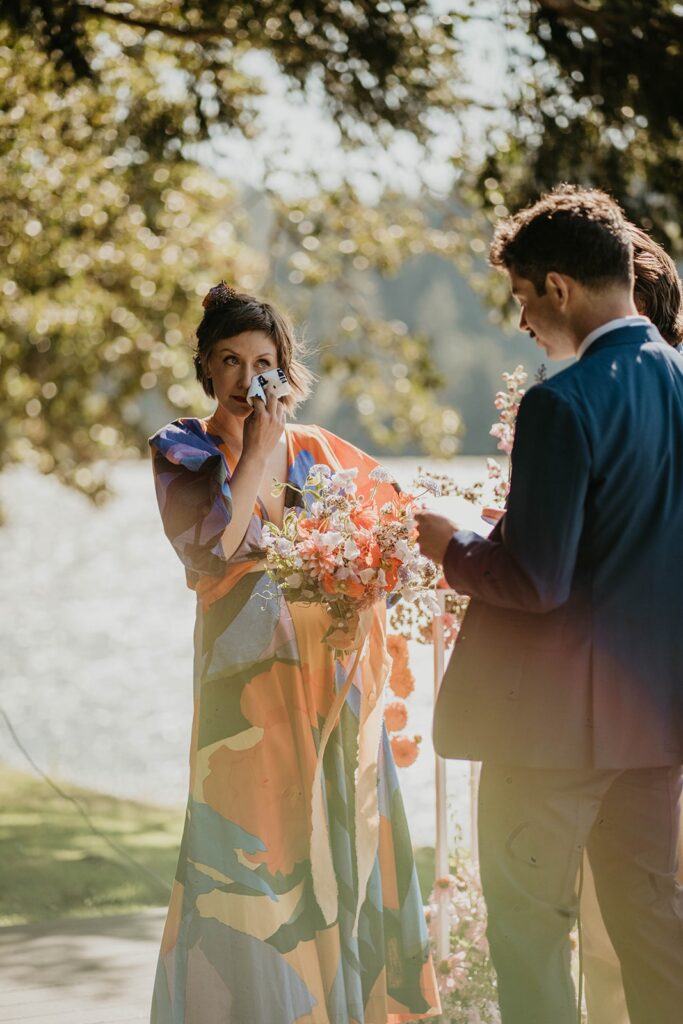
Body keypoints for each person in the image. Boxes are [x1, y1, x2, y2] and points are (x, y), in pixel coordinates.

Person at [415, 186, 683, 1024]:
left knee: (530, 941)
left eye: (523, 302)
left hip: (548, 736)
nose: (524, 323)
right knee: (653, 932)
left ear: (558, 288)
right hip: (657, 724)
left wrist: (452, 542)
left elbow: (536, 579)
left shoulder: (560, 403)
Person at [148, 282, 440, 1024]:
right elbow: (212, 546)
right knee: (248, 870)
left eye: (264, 360)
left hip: (332, 695)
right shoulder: (183, 449)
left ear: (285, 369)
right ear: (206, 370)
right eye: (230, 360)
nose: (249, 379)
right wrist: (263, 445)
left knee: (341, 852)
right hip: (243, 706)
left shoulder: (325, 455)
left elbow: (399, 529)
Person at [578, 222, 683, 1024]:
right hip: (639, 708)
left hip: (635, 709)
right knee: (635, 908)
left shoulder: (595, 400)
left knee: (642, 909)